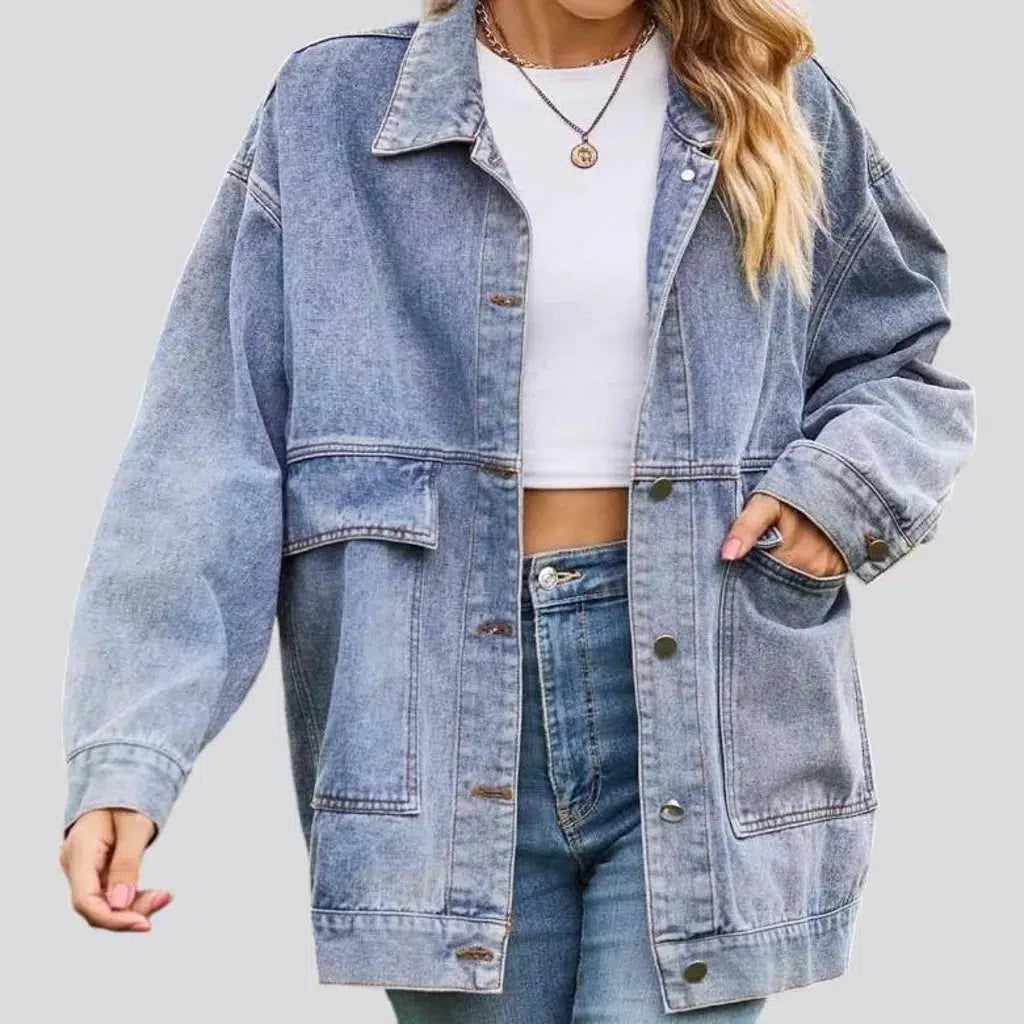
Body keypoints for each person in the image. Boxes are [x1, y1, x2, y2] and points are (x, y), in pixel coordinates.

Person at [58, 0, 976, 1020]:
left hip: (712, 692)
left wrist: (834, 495)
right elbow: (207, 445)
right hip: (427, 706)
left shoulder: (772, 96)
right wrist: (130, 759)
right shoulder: (334, 108)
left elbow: (899, 362)